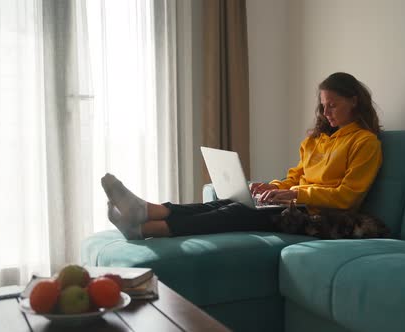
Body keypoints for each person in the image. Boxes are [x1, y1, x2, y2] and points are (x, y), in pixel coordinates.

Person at [102, 72, 383, 240]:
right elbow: (296, 176)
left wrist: (296, 195)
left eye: (333, 105)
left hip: (321, 217)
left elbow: (348, 196)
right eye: (323, 106)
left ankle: (148, 227)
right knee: (225, 202)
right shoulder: (317, 140)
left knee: (237, 212)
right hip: (298, 205)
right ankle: (145, 212)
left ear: (354, 101)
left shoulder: (365, 142)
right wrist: (275, 187)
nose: (326, 113)